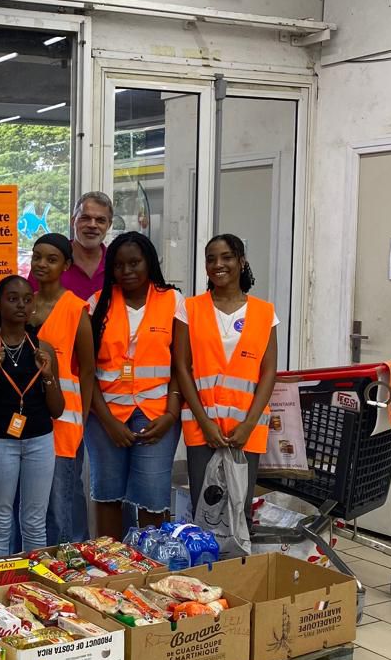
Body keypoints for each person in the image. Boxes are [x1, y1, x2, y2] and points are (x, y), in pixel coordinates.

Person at [174, 233, 278, 540]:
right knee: (205, 508)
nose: (218, 264)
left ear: (241, 262)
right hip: (202, 426)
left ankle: (237, 567)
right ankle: (206, 567)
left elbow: (269, 371)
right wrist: (205, 422)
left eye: (227, 257)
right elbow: (182, 367)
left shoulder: (264, 312)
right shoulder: (189, 308)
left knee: (239, 509)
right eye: (211, 259)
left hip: (246, 428)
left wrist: (248, 425)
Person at [85, 233, 186, 540]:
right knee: (108, 494)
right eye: (118, 265)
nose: (126, 271)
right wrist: (108, 421)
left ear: (149, 262)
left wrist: (171, 415)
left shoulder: (173, 300)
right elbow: (87, 372)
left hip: (156, 414)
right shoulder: (97, 303)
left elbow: (180, 365)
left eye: (134, 263)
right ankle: (110, 560)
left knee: (153, 496)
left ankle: (152, 561)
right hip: (105, 416)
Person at [0, 276, 64, 557]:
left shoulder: (43, 349)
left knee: (35, 522)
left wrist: (48, 376)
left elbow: (57, 409)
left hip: (40, 441)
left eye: (26, 299)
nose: (21, 305)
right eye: (12, 299)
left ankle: (36, 580)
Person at [28, 233, 96, 545]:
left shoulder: (74, 308)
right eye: (37, 256)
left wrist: (83, 417)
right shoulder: (23, 303)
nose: (41, 264)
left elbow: (88, 369)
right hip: (27, 419)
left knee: (61, 503)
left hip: (64, 422)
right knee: (32, 505)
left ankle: (72, 562)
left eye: (51, 259)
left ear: (66, 265)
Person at [30, 191, 114, 301]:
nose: (92, 225)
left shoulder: (117, 264)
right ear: (73, 221)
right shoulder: (48, 262)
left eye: (100, 220)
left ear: (109, 225)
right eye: (85, 218)